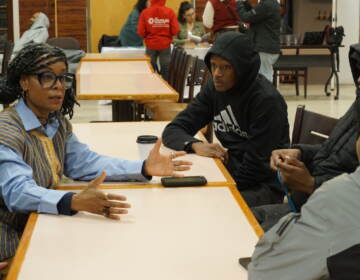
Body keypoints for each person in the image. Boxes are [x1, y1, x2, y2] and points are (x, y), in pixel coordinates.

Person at [0, 43, 192, 261]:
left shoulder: (55, 122)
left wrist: (143, 167)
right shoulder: (6, 130)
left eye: (63, 77)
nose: (59, 86)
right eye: (46, 77)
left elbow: (84, 163)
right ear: (24, 82)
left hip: (42, 225)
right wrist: (72, 201)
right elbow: (17, 192)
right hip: (11, 239)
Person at [248, 47, 360, 279]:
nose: (358, 79)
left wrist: (311, 184)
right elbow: (332, 150)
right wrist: (299, 152)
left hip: (320, 218)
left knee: (241, 228)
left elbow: (346, 205)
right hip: (310, 207)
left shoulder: (337, 196)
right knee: (241, 218)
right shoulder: (357, 107)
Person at [162, 32, 289, 207]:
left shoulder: (266, 101)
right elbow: (173, 129)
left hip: (262, 186)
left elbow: (257, 168)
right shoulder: (214, 89)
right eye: (213, 65)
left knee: (204, 206)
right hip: (228, 170)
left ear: (242, 68)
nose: (216, 74)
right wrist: (195, 145)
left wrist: (215, 186)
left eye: (226, 67)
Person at [236, 0, 281, 82]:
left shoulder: (266, 4)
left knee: (264, 78)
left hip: (265, 48)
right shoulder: (273, 3)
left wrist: (239, 2)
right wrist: (245, 3)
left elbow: (246, 17)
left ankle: (266, 94)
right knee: (264, 75)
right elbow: (256, 20)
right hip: (269, 46)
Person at [137, 0, 179, 80]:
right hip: (165, 46)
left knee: (150, 70)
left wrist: (148, 37)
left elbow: (140, 31)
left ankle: (151, 88)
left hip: (150, 45)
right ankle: (166, 89)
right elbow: (175, 30)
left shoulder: (145, 13)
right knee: (166, 70)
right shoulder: (170, 12)